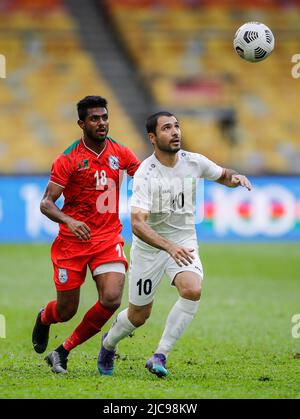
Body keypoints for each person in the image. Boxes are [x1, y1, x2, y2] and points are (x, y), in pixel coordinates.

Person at [97, 111, 252, 377]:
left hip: (183, 240)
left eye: (177, 126)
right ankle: (109, 344)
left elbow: (223, 174)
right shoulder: (145, 174)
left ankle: (160, 355)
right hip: (150, 248)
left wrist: (235, 179)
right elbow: (137, 224)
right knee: (138, 316)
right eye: (167, 128)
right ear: (152, 137)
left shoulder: (194, 162)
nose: (176, 132)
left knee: (192, 290)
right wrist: (167, 247)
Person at [32, 95, 140, 373]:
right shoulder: (68, 159)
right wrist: (69, 221)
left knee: (112, 298)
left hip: (107, 239)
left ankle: (62, 351)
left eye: (104, 117)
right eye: (94, 118)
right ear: (81, 123)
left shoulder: (121, 153)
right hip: (73, 242)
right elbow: (46, 203)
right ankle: (45, 318)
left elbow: (144, 175)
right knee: (66, 311)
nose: (102, 123)